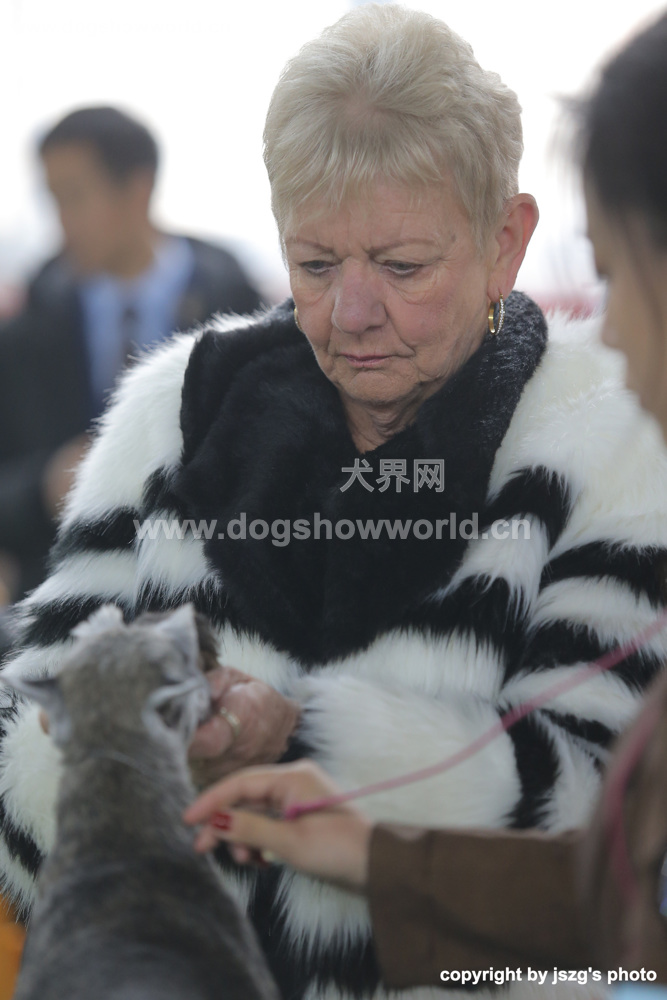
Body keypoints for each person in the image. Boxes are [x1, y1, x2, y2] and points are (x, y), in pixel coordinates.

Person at [2, 7, 667, 1000]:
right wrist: (146, 739)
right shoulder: (172, 418)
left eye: (402, 268)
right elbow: (24, 763)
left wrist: (299, 738)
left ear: (504, 241)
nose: (352, 315)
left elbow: (604, 853)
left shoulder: (614, 440)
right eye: (314, 265)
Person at [0, 106, 263, 601]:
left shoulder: (239, 310)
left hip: (212, 602)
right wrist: (45, 487)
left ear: (138, 189)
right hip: (65, 605)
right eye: (53, 199)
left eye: (75, 196)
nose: (63, 221)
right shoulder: (26, 335)